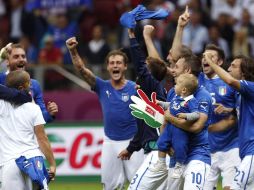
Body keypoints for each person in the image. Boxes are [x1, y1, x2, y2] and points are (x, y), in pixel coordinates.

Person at [66, 37, 143, 190]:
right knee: (110, 186)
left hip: (133, 142)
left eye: (119, 63)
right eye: (112, 63)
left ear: (125, 66)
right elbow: (82, 70)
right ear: (107, 67)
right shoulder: (101, 86)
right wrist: (73, 51)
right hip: (110, 142)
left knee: (140, 185)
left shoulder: (136, 88)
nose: (115, 66)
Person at [117, 28, 168, 190]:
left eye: (146, 66)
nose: (142, 67)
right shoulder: (152, 93)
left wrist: (132, 37)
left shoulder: (152, 85)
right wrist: (131, 149)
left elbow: (139, 64)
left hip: (157, 152)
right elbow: (143, 129)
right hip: (157, 151)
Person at [204, 54, 254, 190]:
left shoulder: (250, 87)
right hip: (245, 152)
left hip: (252, 152)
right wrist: (230, 109)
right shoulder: (241, 94)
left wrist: (211, 63)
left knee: (234, 186)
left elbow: (230, 81)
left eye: (233, 66)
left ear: (243, 72)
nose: (229, 69)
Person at [0, 70, 56, 190]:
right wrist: (52, 164)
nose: (31, 86)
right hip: (33, 159)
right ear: (21, 87)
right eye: (28, 83)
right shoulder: (34, 108)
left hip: (9, 163)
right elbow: (42, 139)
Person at [200, 44, 240, 190]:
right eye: (204, 56)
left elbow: (235, 117)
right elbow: (177, 57)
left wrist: (208, 127)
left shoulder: (230, 82)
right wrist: (180, 27)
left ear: (220, 62)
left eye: (211, 57)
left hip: (231, 147)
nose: (206, 60)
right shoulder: (196, 81)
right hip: (206, 149)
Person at [155, 73, 200, 179]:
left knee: (180, 147)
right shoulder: (177, 98)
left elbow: (196, 114)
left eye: (177, 84)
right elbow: (170, 105)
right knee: (161, 142)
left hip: (180, 130)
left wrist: (186, 115)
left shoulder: (191, 101)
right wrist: (160, 103)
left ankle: (179, 166)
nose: (174, 86)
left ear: (183, 90)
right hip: (170, 128)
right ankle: (161, 163)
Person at [0, 43, 58, 123]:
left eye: (23, 56)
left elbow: (41, 117)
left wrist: (50, 114)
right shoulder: (0, 79)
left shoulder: (34, 84)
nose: (21, 59)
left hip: (26, 134)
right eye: (16, 57)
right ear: (7, 62)